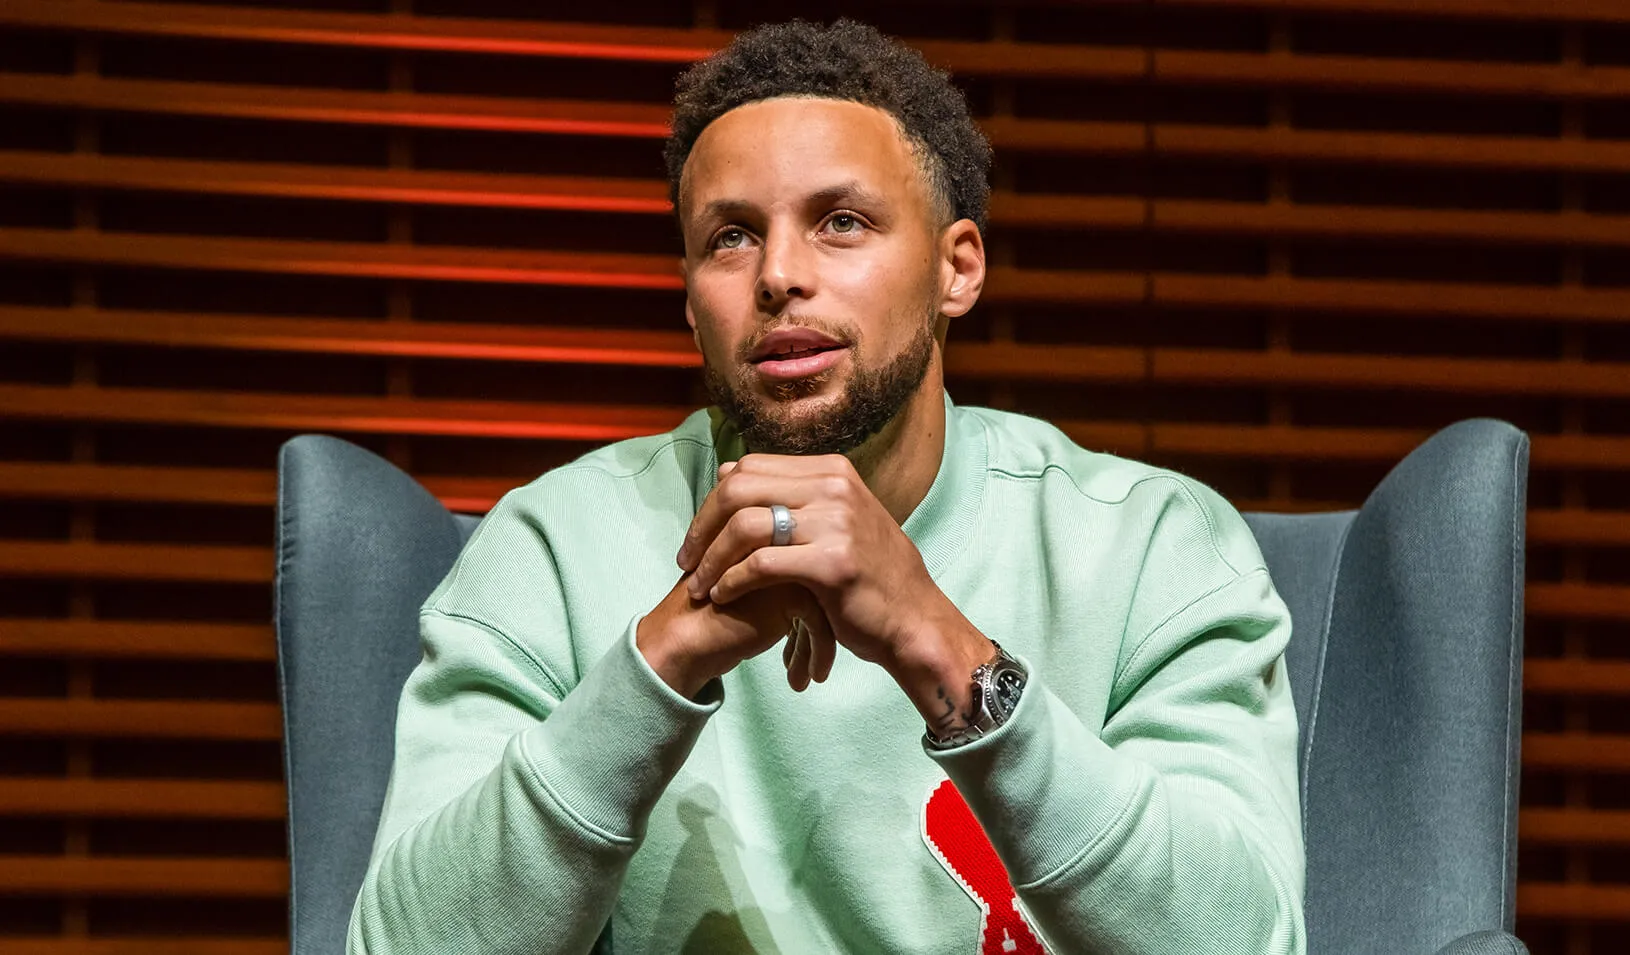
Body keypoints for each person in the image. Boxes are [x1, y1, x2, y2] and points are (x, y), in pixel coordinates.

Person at [348, 19, 1305, 955]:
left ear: (956, 268)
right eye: (730, 237)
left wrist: (940, 643)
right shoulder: (554, 545)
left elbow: (1249, 938)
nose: (777, 275)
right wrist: (662, 661)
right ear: (691, 304)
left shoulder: (1151, 545)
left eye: (841, 222)